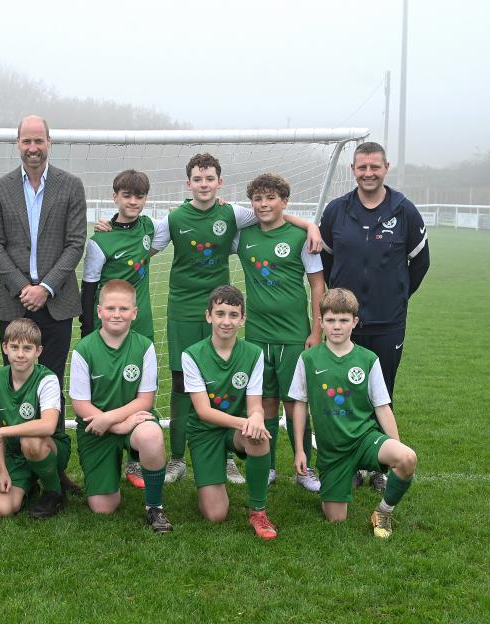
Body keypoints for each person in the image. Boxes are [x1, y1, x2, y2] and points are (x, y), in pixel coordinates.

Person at [109, 153, 321, 487]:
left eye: (210, 178)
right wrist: (111, 226)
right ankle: (177, 459)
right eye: (198, 179)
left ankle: (225, 458)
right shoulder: (175, 218)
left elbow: (275, 214)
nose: (204, 184)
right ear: (188, 183)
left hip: (222, 313)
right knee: (181, 387)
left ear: (220, 182)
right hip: (183, 312)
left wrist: (310, 225)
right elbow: (141, 245)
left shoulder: (234, 213)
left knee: (224, 386)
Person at [0, 115, 86, 495]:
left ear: (49, 142)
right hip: (13, 302)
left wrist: (45, 287)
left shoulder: (70, 186)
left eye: (38, 140)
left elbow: (76, 242)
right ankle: (14, 463)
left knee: (52, 382)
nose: (32, 147)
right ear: (17, 144)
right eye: (26, 141)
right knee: (16, 381)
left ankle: (54, 467)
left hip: (56, 302)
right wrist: (22, 287)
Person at [319, 142, 429, 491]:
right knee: (342, 392)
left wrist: (395, 297)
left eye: (375, 167)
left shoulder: (404, 210)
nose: (368, 173)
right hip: (342, 323)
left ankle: (382, 464)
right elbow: (325, 264)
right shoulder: (337, 211)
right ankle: (348, 462)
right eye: (362, 167)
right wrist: (339, 307)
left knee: (382, 393)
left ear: (386, 168)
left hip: (387, 321)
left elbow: (420, 263)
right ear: (352, 170)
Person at [288, 288, 418, 538]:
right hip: (333, 451)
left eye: (344, 320)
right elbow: (300, 404)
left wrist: (395, 444)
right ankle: (338, 479)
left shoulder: (368, 359)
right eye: (331, 320)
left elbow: (382, 406)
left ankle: (383, 511)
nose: (337, 326)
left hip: (364, 439)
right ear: (321, 322)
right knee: (336, 519)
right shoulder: (308, 359)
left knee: (407, 458)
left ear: (355, 322)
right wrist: (301, 450)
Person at [233, 173, 324, 492]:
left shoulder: (302, 238)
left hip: (294, 335)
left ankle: (305, 468)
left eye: (271, 198)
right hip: (257, 335)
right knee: (265, 403)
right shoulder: (242, 237)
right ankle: (266, 464)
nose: (263, 204)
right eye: (258, 199)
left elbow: (317, 285)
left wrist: (317, 330)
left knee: (296, 402)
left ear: (285, 202)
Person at [81, 169, 169, 490]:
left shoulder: (150, 228)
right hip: (107, 325)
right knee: (109, 384)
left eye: (140, 196)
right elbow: (89, 285)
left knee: (137, 387)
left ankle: (135, 456)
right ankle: (105, 444)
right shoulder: (100, 239)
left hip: (141, 323)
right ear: (114, 197)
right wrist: (87, 328)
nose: (133, 201)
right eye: (127, 195)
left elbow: (184, 217)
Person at [69, 280, 173, 532]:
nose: (117, 314)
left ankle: (154, 507)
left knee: (151, 434)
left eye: (124, 309)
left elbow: (144, 400)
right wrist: (115, 425)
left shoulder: (144, 346)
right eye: (111, 308)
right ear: (99, 310)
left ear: (134, 313)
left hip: (133, 421)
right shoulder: (83, 349)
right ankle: (110, 470)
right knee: (103, 507)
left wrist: (114, 421)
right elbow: (81, 405)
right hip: (96, 427)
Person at [182, 285, 277, 540]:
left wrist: (256, 418)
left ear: (243, 319)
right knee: (215, 515)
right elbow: (203, 411)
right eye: (220, 313)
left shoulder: (254, 353)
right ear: (208, 316)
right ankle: (210, 478)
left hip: (235, 429)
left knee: (258, 436)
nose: (226, 321)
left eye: (233, 315)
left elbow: (255, 403)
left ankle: (258, 511)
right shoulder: (191, 355)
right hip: (205, 431)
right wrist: (246, 421)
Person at [0, 319, 66, 519]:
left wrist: (4, 431)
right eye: (14, 347)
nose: (20, 354)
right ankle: (28, 484)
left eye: (27, 348)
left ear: (38, 351)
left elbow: (48, 426)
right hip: (15, 456)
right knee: (0, 509)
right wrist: (2, 471)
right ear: (5, 348)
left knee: (30, 441)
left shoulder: (47, 379)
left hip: (48, 448)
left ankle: (54, 491)